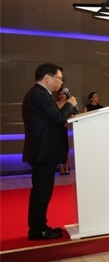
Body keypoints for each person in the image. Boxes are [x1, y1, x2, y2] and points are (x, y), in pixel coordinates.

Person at [22, 63, 78, 240]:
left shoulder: (41, 94)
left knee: (43, 191)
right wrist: (69, 104)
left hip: (43, 151)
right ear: (47, 78)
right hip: (42, 151)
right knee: (42, 192)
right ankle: (37, 230)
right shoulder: (39, 94)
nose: (61, 82)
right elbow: (57, 117)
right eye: (59, 78)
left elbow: (52, 120)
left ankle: (40, 226)